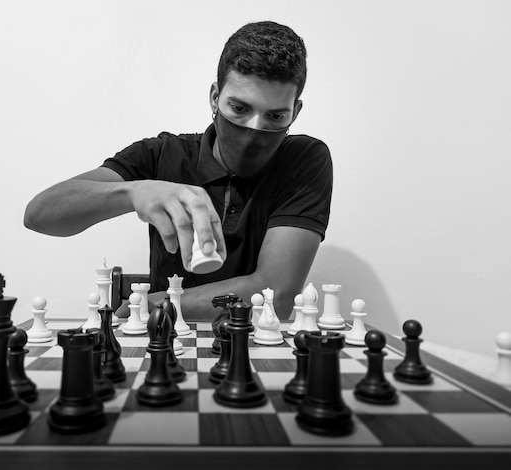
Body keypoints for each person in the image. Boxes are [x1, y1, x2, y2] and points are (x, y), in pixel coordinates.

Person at [24, 21, 333, 320]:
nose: (254, 130)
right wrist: (135, 191)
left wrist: (165, 303)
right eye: (239, 108)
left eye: (276, 116)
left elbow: (275, 296)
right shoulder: (161, 155)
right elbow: (39, 214)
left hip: (254, 349)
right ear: (214, 97)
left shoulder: (304, 160)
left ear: (296, 112)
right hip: (167, 346)